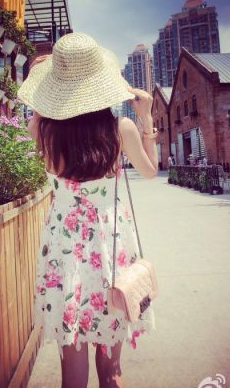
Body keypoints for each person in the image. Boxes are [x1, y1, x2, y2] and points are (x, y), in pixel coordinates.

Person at [18, 32, 158, 388]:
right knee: (110, 370)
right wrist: (147, 120)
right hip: (109, 244)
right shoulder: (120, 128)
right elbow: (149, 171)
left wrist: (43, 99)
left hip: (64, 250)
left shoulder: (43, 131)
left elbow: (34, 123)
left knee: (72, 369)